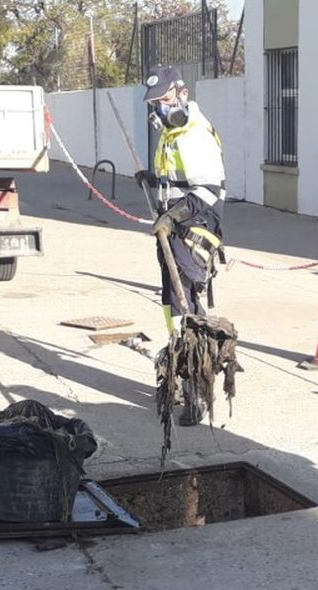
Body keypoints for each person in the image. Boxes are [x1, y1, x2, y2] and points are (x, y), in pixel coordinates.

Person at [138, 65, 227, 425]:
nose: (159, 107)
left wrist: (173, 216)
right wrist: (153, 180)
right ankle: (177, 367)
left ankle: (198, 389)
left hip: (195, 228)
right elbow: (178, 179)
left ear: (181, 93)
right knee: (171, 302)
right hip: (172, 228)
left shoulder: (195, 133)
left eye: (164, 100)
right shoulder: (172, 133)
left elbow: (208, 190)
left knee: (188, 303)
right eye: (155, 102)